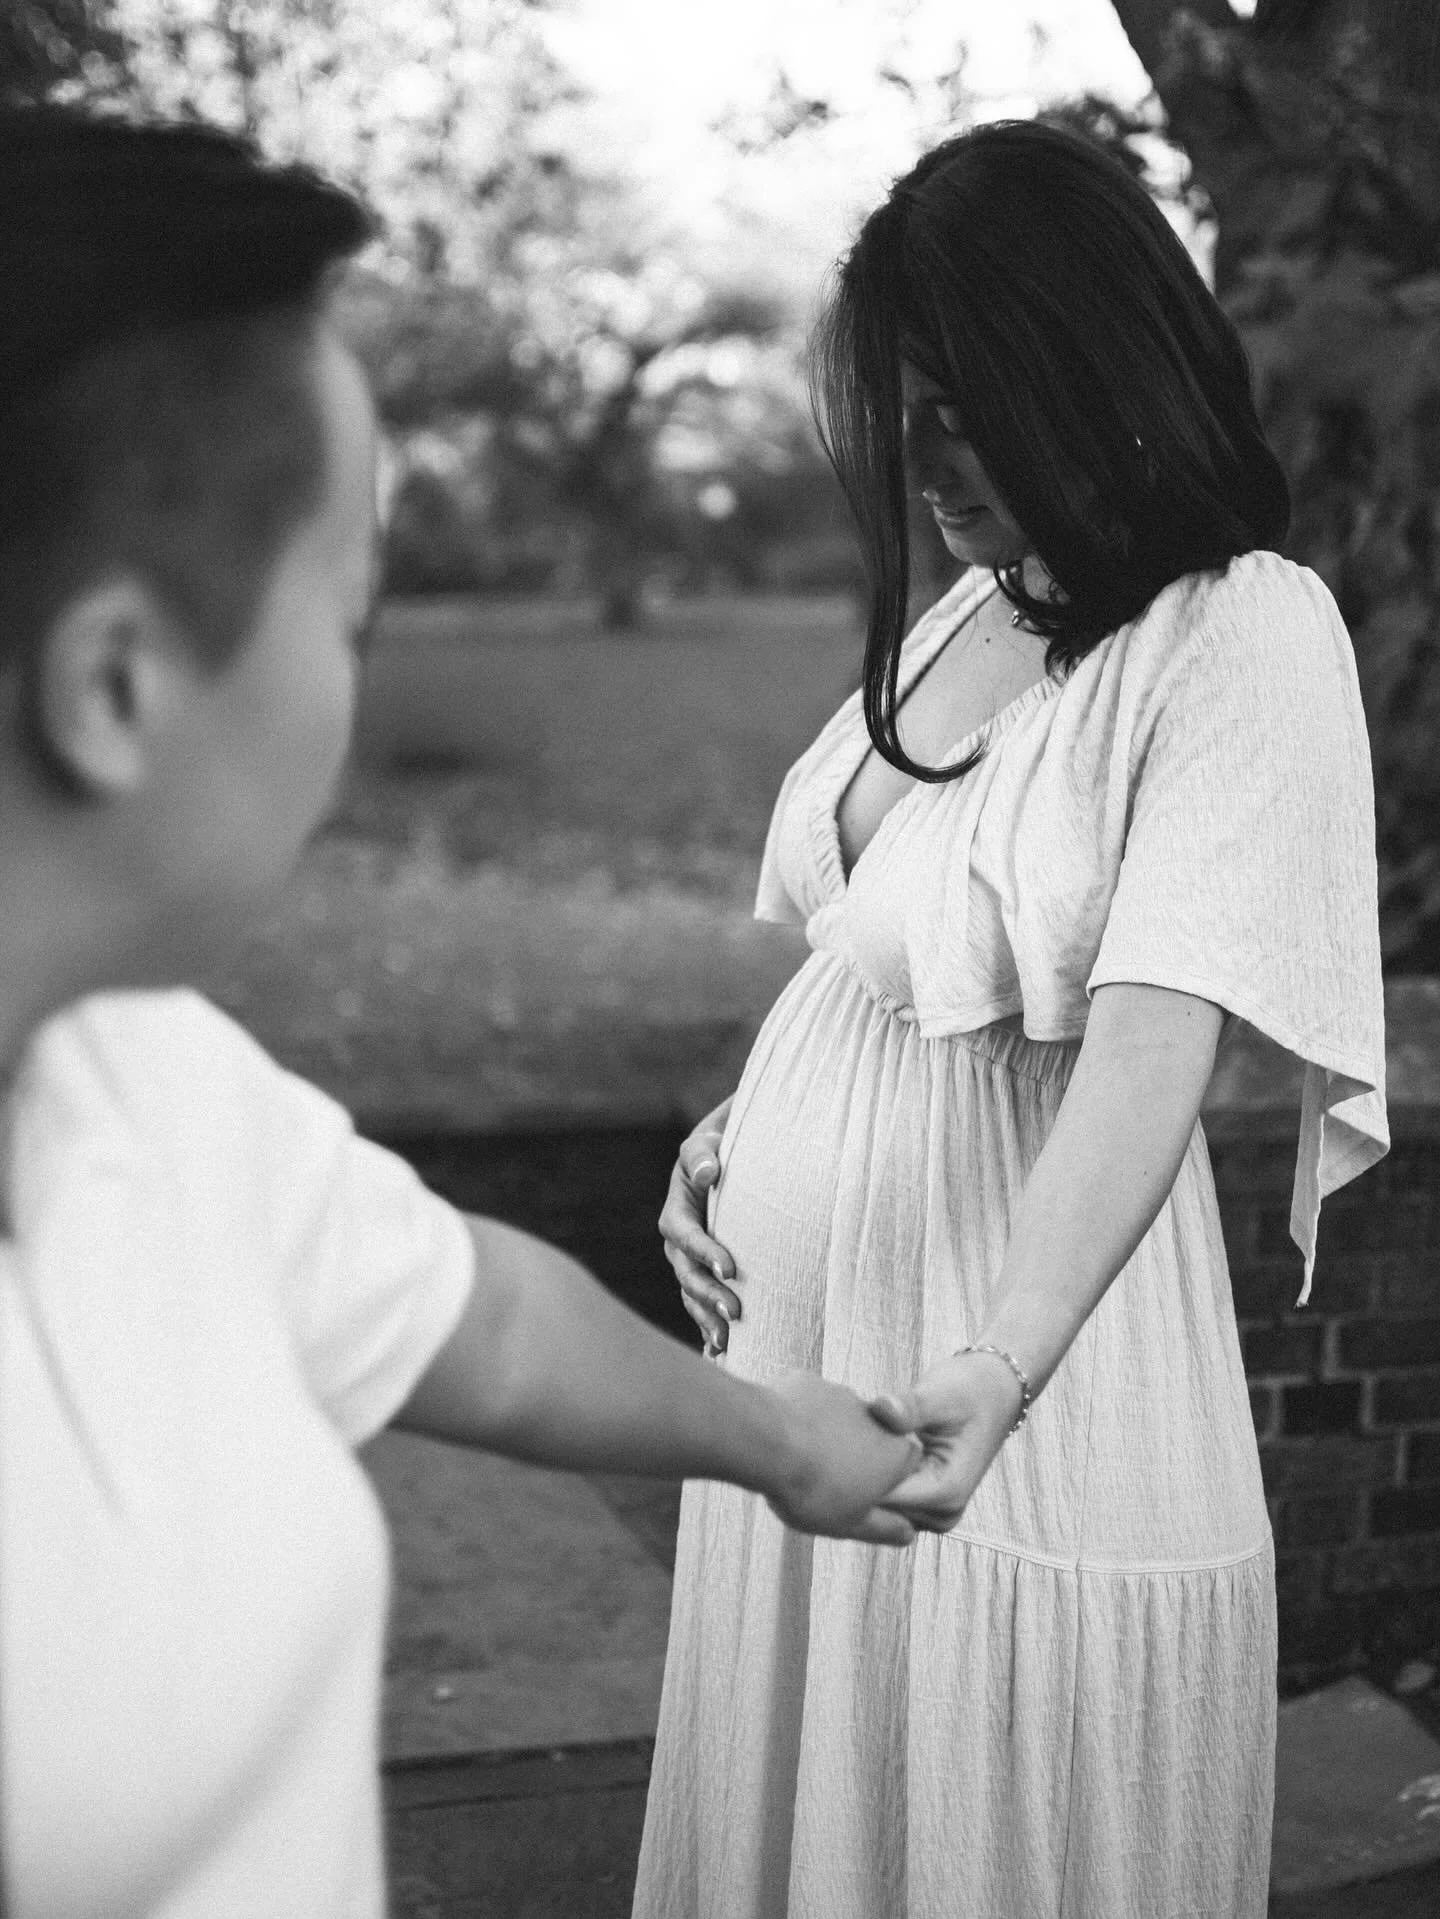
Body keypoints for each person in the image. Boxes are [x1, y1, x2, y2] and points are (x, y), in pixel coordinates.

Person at [0, 108, 923, 1919]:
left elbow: (477, 1317)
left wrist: (789, 1438)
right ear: (115, 683)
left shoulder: (143, 1078)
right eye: (349, 616)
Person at [635, 119, 1388, 1919]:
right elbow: (874, 952)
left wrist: (999, 1361)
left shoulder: (1241, 632)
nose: (927, 458)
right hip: (803, 1359)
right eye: (910, 408)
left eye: (966, 402)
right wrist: (734, 1145)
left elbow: (1154, 1038)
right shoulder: (980, 605)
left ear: (1089, 364)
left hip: (1009, 1366)